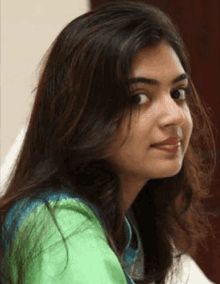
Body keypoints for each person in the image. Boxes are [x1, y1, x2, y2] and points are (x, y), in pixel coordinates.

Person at [0, 1, 217, 283]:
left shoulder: (126, 221)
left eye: (178, 93)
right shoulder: (64, 230)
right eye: (138, 98)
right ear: (82, 114)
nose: (174, 116)